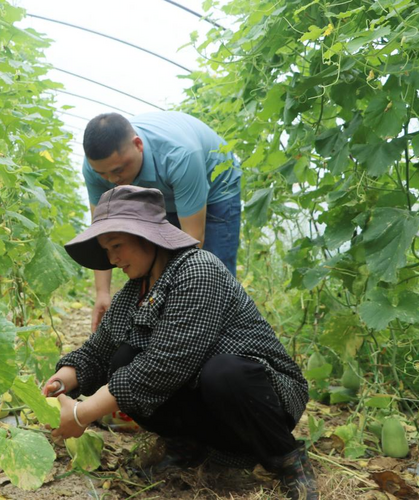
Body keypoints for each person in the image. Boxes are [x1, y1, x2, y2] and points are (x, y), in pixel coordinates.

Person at [42, 186, 316, 500]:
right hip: (213, 406)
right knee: (122, 358)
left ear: (147, 237)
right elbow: (98, 351)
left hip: (260, 397)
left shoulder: (199, 269)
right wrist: (63, 379)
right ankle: (189, 446)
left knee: (224, 373)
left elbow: (163, 366)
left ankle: (286, 458)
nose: (112, 259)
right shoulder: (134, 292)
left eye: (117, 245)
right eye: (107, 250)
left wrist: (83, 414)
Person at [82, 111, 242, 332]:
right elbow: (103, 232)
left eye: (118, 170)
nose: (112, 180)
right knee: (155, 263)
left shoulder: (180, 154)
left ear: (138, 145)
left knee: (211, 270)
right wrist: (102, 293)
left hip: (215, 187)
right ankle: (169, 334)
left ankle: (226, 338)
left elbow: (194, 242)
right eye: (103, 174)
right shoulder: (96, 168)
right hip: (162, 191)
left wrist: (173, 294)